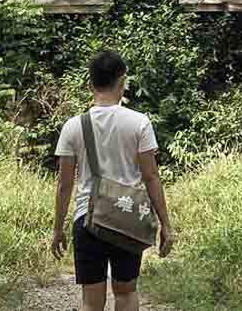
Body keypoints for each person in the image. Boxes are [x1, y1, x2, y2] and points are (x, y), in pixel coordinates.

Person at [51, 51, 174, 311]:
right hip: (127, 218)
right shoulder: (139, 123)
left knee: (91, 301)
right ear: (122, 81)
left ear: (90, 83)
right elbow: (151, 176)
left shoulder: (73, 126)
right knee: (126, 293)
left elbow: (64, 184)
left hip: (87, 218)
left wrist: (58, 229)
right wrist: (165, 224)